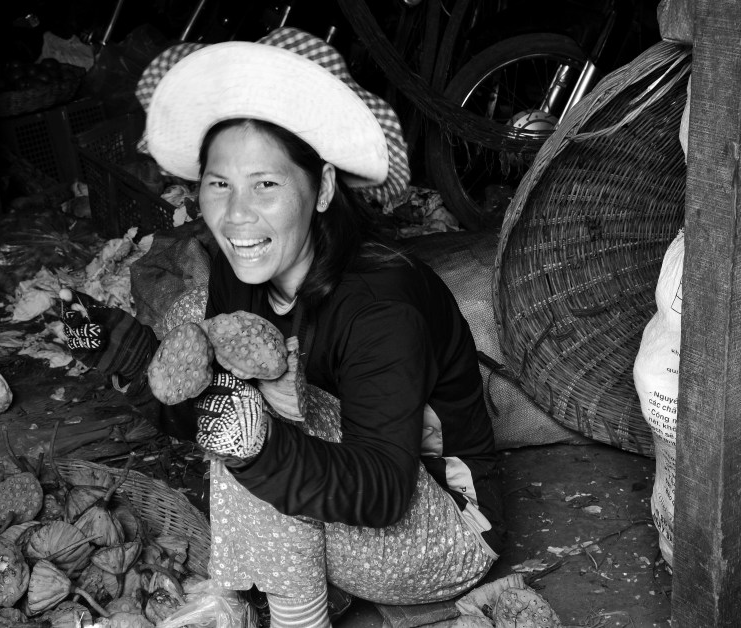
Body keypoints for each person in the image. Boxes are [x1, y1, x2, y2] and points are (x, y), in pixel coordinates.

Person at [64, 27, 504, 628]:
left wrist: (259, 445)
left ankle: (298, 618)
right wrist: (127, 353)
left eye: (265, 185)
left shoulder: (381, 306)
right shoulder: (238, 269)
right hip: (338, 518)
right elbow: (209, 426)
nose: (236, 214)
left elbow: (381, 491)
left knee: (253, 408)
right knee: (203, 336)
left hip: (438, 535)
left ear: (321, 188)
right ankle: (264, 589)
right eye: (220, 184)